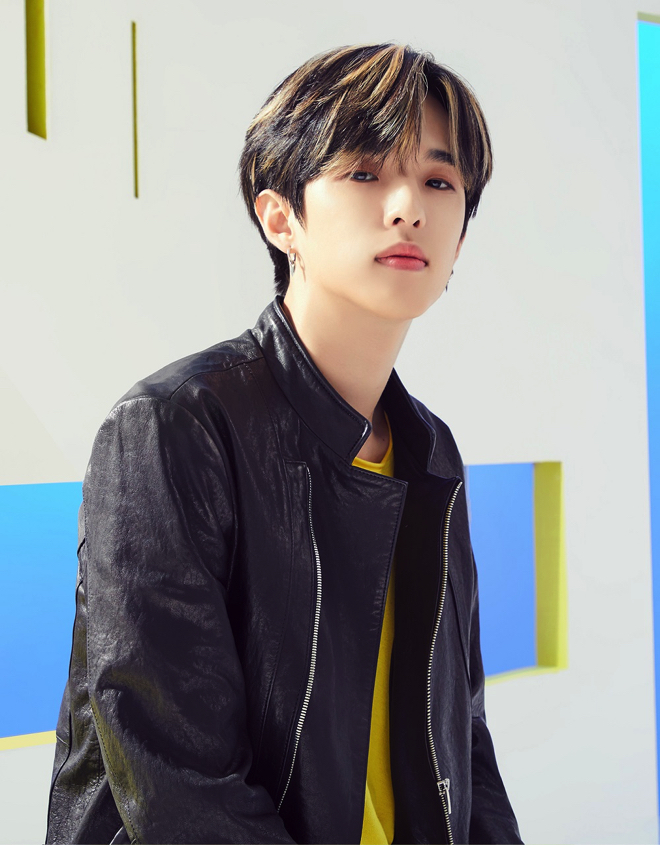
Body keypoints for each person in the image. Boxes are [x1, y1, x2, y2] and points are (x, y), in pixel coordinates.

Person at [45, 42, 523, 845]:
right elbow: (179, 782)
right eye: (365, 172)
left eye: (440, 182)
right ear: (280, 218)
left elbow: (461, 735)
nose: (409, 206)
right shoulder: (173, 426)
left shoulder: (429, 449)